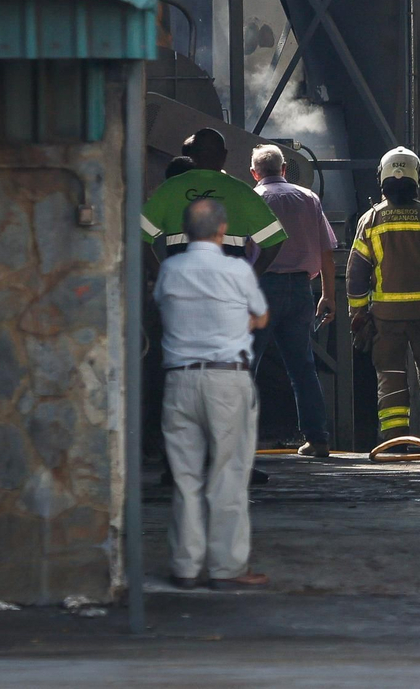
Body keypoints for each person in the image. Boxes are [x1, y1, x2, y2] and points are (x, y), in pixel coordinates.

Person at [153, 198, 270, 590]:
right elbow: (261, 316)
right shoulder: (237, 270)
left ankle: (185, 567)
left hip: (179, 381)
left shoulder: (170, 270)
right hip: (226, 380)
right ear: (223, 229)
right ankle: (225, 569)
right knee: (229, 474)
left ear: (185, 232)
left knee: (185, 478)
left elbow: (163, 310)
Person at [346, 147, 420, 447]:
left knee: (390, 376)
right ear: (417, 178)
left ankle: (395, 440)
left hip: (386, 317)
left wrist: (358, 312)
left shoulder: (371, 220)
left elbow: (357, 273)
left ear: (382, 179)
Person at [250, 144, 336, 458]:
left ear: (254, 173)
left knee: (246, 367)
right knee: (303, 369)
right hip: (301, 289)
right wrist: (328, 294)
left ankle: (240, 441)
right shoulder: (308, 198)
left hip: (261, 290)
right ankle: (318, 440)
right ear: (285, 169)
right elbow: (327, 252)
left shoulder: (253, 199)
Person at [141, 128, 287, 270]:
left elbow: (137, 234)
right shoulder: (241, 191)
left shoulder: (170, 188)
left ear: (192, 155)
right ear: (224, 155)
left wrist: (159, 275)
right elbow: (274, 240)